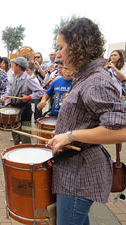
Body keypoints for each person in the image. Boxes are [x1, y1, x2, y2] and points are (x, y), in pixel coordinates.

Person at [48, 17, 126, 225]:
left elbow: (122, 130)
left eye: (61, 47)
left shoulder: (96, 80)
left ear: (76, 45)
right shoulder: (86, 76)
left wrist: (70, 136)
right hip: (73, 170)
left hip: (79, 175)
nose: (58, 54)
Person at [1, 57, 44, 145]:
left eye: (13, 65)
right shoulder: (15, 77)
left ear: (19, 67)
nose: (12, 66)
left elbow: (41, 92)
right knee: (15, 136)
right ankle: (16, 155)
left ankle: (26, 157)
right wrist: (4, 97)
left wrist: (29, 97)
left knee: (25, 138)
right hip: (14, 110)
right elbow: (11, 90)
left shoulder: (28, 79)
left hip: (24, 111)